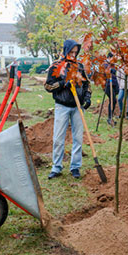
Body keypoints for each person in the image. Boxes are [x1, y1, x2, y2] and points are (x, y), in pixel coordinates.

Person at [44, 39, 91, 180]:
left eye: (76, 52)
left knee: (77, 138)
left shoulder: (80, 67)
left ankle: (75, 167)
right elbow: (48, 86)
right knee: (58, 138)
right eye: (71, 52)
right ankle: (56, 167)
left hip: (77, 107)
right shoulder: (57, 66)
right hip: (62, 106)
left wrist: (87, 98)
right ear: (66, 51)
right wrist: (63, 83)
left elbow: (87, 85)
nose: (74, 54)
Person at [104, 53, 119, 126]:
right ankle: (109, 118)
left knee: (114, 101)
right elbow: (106, 72)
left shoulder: (113, 65)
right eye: (112, 58)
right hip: (108, 85)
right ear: (109, 57)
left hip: (113, 85)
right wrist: (110, 70)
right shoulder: (105, 64)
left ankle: (111, 116)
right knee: (113, 100)